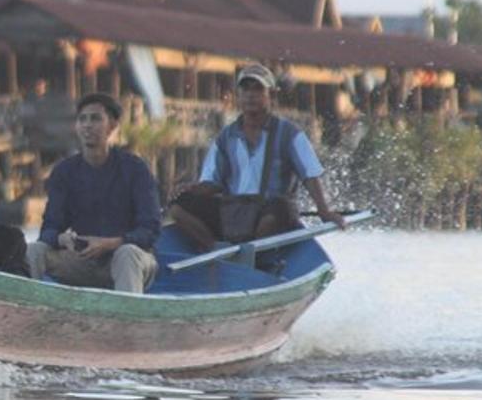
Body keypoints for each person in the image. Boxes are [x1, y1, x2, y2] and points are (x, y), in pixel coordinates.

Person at [168, 63, 346, 252]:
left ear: (272, 96)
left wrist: (323, 210)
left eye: (258, 89)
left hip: (272, 211)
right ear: (239, 95)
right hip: (234, 211)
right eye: (245, 89)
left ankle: (257, 256)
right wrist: (188, 190)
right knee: (178, 208)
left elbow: (310, 175)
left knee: (279, 209)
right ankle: (215, 250)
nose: (251, 95)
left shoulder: (290, 134)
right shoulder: (225, 138)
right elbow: (212, 183)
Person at [27, 93, 161, 293]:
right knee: (34, 250)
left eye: (96, 118)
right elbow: (49, 229)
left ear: (112, 125)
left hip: (128, 263)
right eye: (82, 119)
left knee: (127, 254)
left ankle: (127, 320)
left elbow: (150, 230)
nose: (87, 125)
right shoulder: (64, 172)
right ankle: (26, 314)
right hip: (83, 262)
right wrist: (62, 239)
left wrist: (109, 244)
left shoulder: (135, 169)